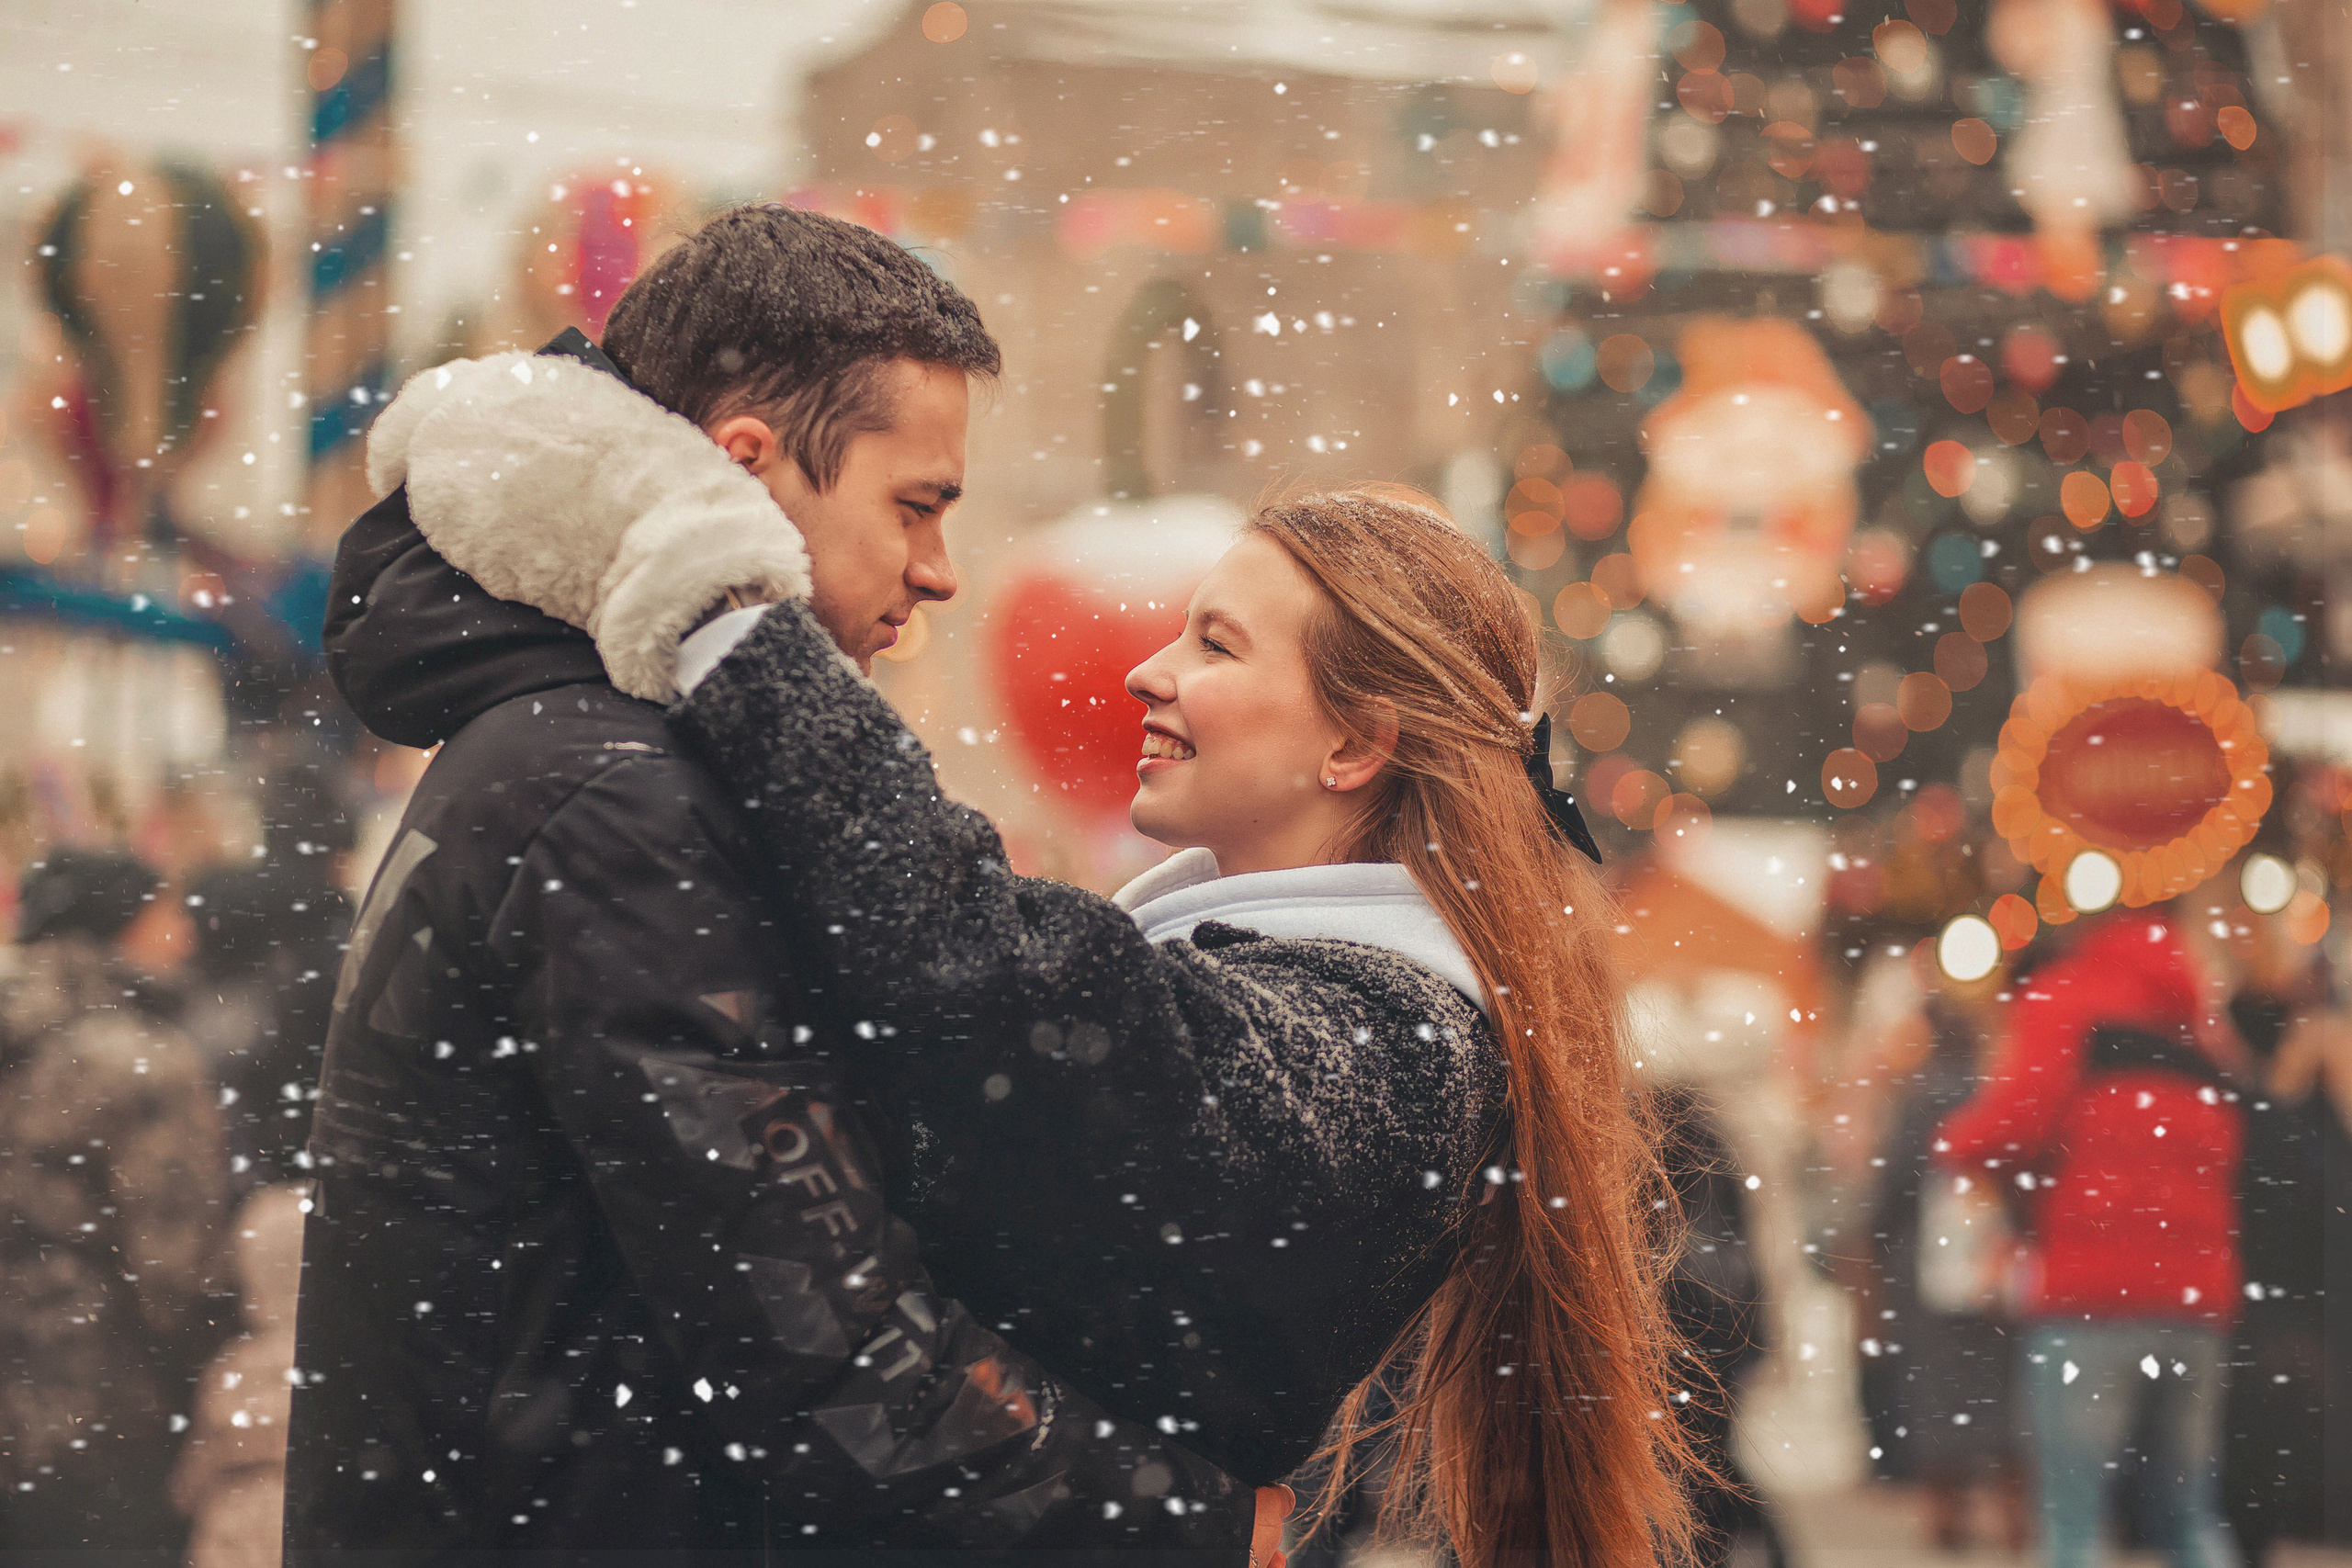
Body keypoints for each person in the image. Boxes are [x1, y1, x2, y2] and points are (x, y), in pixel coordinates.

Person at [426, 445, 1704, 1565]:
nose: (1149, 670)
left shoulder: (1398, 1043)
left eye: (1215, 641)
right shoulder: (1290, 984)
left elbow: (1022, 997)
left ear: (1355, 744)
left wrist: (729, 628)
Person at [288, 206, 1281, 1564]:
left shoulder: (559, 742)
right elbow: (818, 1341)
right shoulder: (617, 792)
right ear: (746, 468)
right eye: (915, 504)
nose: (937, 571)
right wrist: (1208, 1522)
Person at [1933, 908, 2242, 1568]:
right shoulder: (2197, 1016)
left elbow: (2014, 1122)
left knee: (2072, 1522)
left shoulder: (2064, 995)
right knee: (2189, 1515)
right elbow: (2232, 1139)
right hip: (2195, 1298)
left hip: (2090, 1294)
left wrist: (1954, 1144)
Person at [0, 850, 230, 1560]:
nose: (184, 931)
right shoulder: (139, 1059)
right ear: (115, 927)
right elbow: (174, 1269)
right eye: (164, 912)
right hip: (101, 1398)